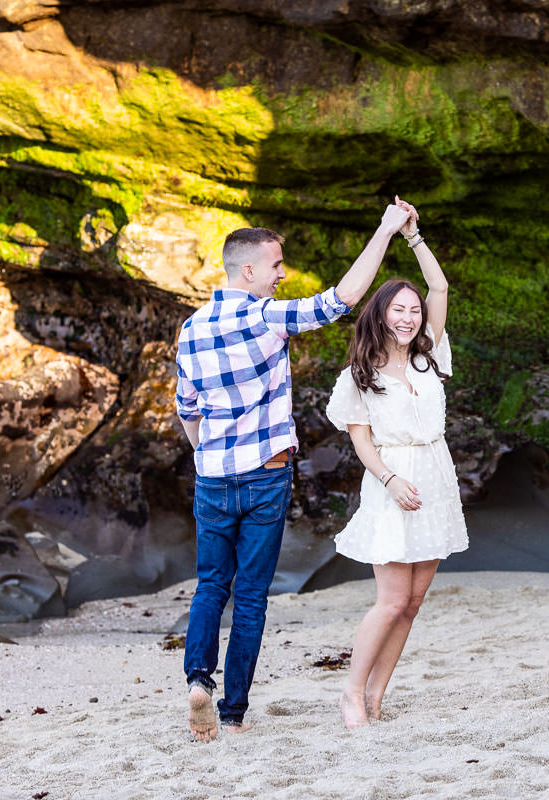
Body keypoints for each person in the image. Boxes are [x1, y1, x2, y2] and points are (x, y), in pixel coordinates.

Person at [175, 199, 413, 742]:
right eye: (277, 265)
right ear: (249, 270)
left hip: (212, 475)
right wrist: (385, 229)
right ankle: (233, 713)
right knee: (252, 595)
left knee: (211, 584)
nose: (283, 275)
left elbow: (187, 408)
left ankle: (198, 681)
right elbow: (345, 298)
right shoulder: (264, 315)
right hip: (265, 474)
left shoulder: (191, 327)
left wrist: (204, 456)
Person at [324, 200, 469, 728]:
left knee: (413, 602)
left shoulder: (432, 354)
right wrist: (389, 480)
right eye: (398, 310)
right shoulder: (359, 373)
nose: (408, 318)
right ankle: (350, 692)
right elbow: (361, 442)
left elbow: (442, 290)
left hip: (435, 475)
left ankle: (378, 693)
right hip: (392, 481)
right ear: (380, 314)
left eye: (413, 310)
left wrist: (414, 237)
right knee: (389, 601)